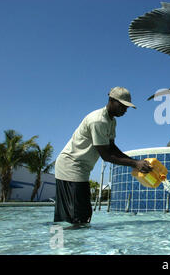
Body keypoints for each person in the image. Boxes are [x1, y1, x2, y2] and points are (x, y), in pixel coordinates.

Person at [54, 86, 152, 227]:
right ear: (111, 101)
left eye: (127, 107)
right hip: (71, 166)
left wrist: (136, 162)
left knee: (81, 215)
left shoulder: (111, 121)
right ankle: (64, 248)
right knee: (76, 217)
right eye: (123, 105)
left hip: (81, 169)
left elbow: (112, 147)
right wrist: (135, 164)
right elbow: (106, 155)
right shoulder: (98, 120)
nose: (125, 110)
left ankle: (69, 247)